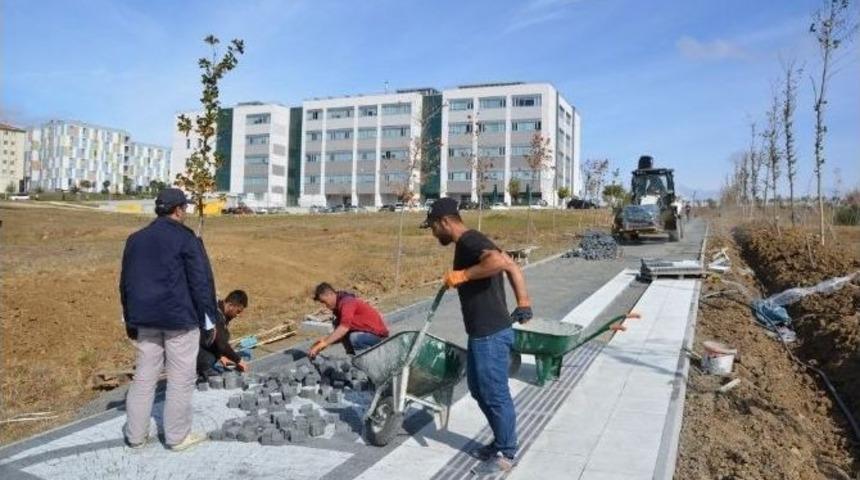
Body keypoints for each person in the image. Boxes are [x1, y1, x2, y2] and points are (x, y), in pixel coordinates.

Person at [421, 197, 532, 475]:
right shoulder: (470, 242)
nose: (433, 234)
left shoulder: (469, 240)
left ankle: (507, 453)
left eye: (433, 227)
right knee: (478, 389)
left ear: (444, 222)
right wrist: (523, 302)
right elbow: (510, 264)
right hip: (483, 332)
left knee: (494, 393)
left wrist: (463, 275)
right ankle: (501, 440)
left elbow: (497, 261)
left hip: (490, 333)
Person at [120, 188, 218, 451]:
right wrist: (209, 319)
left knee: (144, 376)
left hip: (145, 320)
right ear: (177, 210)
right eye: (184, 208)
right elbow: (200, 282)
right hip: (179, 320)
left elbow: (126, 282)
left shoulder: (135, 239)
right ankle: (176, 437)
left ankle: (135, 436)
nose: (185, 212)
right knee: (180, 378)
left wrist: (130, 318)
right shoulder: (186, 239)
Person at [308, 282, 389, 358]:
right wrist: (324, 342)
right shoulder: (339, 307)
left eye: (324, 302)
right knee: (339, 327)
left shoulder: (347, 302)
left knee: (354, 338)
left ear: (330, 294)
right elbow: (340, 334)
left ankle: (368, 364)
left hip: (379, 336)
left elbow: (343, 328)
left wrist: (325, 343)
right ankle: (353, 358)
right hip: (367, 334)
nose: (326, 306)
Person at [196, 290, 249, 378]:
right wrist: (239, 360)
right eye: (238, 311)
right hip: (190, 347)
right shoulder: (215, 314)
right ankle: (202, 371)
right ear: (231, 305)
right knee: (210, 358)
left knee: (224, 337)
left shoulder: (222, 313)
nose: (237, 315)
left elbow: (216, 340)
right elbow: (221, 343)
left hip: (199, 343)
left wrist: (221, 356)